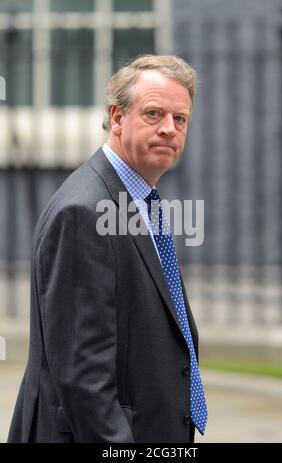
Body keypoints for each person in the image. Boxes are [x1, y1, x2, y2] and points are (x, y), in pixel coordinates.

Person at [8, 54, 207, 443]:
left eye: (179, 119)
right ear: (117, 118)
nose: (169, 129)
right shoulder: (85, 212)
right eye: (153, 114)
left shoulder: (138, 198)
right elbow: (84, 376)